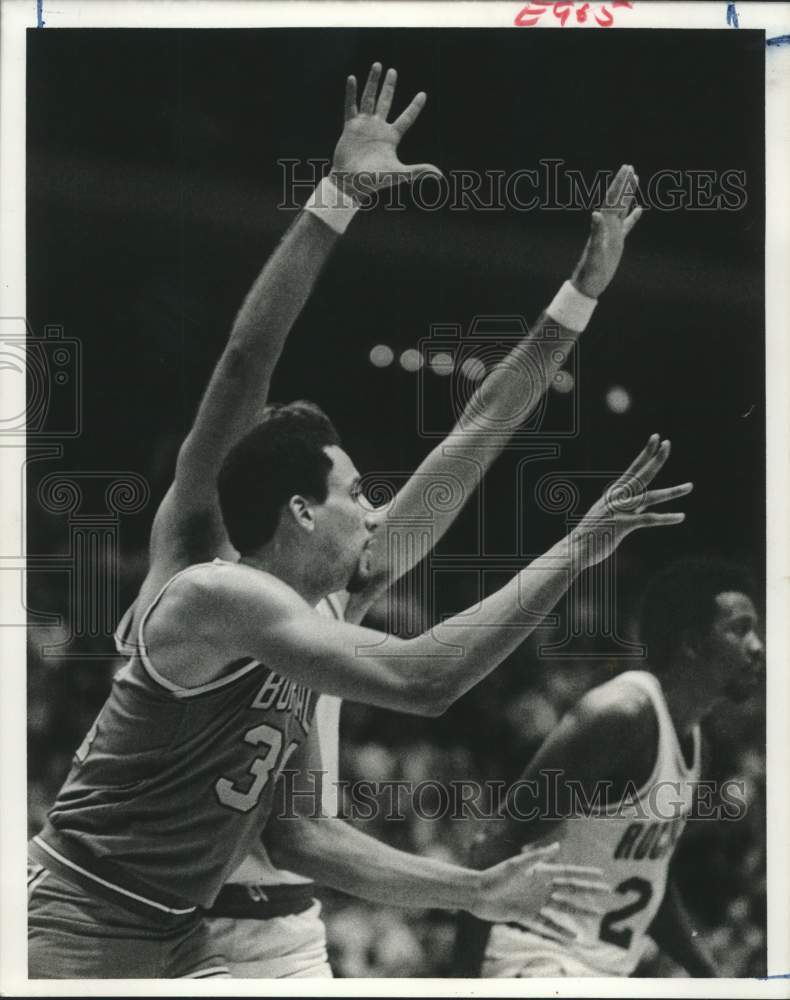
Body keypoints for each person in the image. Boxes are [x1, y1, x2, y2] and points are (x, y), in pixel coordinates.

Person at [27, 64, 681, 979]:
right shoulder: (200, 566)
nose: (377, 509)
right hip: (106, 907)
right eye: (356, 494)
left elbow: (478, 431)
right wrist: (334, 197)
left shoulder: (334, 598)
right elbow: (244, 360)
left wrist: (577, 299)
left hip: (260, 929)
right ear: (296, 509)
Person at [452, 557, 764, 978]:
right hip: (537, 958)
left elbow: (649, 880)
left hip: (600, 967)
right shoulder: (620, 714)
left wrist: (709, 974)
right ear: (692, 643)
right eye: (739, 629)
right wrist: (462, 985)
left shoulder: (694, 739)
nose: (757, 646)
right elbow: (493, 844)